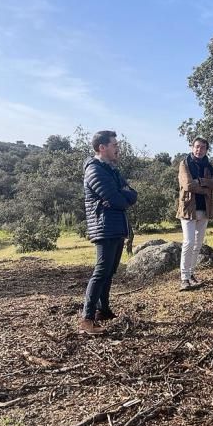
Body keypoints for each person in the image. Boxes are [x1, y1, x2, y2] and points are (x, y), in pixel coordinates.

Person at [80, 130, 137, 335]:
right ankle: (87, 318)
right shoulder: (95, 170)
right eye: (114, 145)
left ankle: (103, 311)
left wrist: (122, 194)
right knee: (101, 272)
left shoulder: (111, 170)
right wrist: (121, 195)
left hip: (115, 226)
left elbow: (132, 195)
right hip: (104, 227)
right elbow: (118, 199)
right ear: (102, 147)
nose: (117, 148)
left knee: (110, 272)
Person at [176, 137, 213, 291]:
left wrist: (201, 181)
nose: (199, 150)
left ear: (206, 149)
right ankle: (184, 278)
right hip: (189, 208)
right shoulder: (185, 163)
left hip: (205, 208)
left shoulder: (209, 165)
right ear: (192, 147)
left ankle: (191, 274)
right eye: (197, 147)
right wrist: (207, 185)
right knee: (188, 242)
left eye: (202, 147)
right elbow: (188, 184)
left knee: (198, 244)